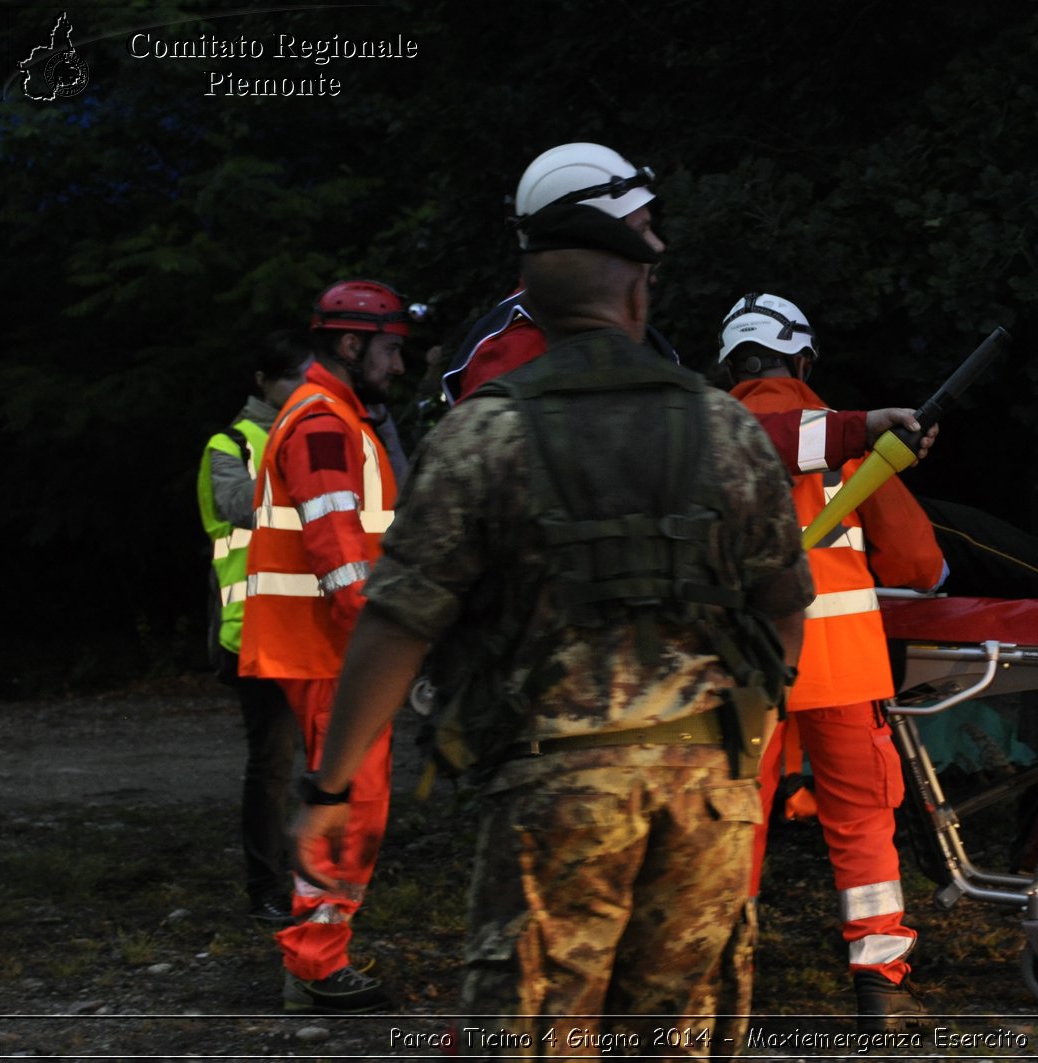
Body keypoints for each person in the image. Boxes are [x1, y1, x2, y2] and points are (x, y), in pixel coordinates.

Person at [289, 145, 813, 1053]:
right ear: (638, 292)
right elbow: (784, 598)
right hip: (707, 796)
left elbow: (399, 617)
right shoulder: (723, 426)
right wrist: (750, 733)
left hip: (551, 796)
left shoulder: (484, 432)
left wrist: (331, 785)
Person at [719, 293, 946, 1032]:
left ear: (730, 366)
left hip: (747, 669)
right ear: (804, 360)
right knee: (861, 822)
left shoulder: (710, 426)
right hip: (844, 667)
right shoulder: (845, 438)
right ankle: (879, 982)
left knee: (732, 822)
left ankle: (721, 983)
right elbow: (918, 559)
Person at [437, 141, 936, 476]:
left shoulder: (626, 349)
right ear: (587, 243)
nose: (657, 248)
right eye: (639, 230)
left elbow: (730, 439)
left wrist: (856, 429)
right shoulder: (516, 351)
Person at [238, 278, 411, 1014]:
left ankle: (316, 954)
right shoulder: (323, 422)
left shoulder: (325, 415)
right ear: (350, 343)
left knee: (346, 795)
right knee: (350, 797)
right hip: (334, 646)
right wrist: (383, 643)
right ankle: (314, 962)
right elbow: (340, 553)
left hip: (329, 644)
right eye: (391, 350)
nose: (398, 367)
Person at [195, 331, 311, 925]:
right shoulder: (230, 443)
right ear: (264, 381)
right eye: (293, 377)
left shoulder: (320, 429)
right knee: (272, 765)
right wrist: (306, 475)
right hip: (253, 629)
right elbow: (242, 507)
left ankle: (318, 885)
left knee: (326, 761)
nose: (303, 389)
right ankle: (266, 889)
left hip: (311, 623)